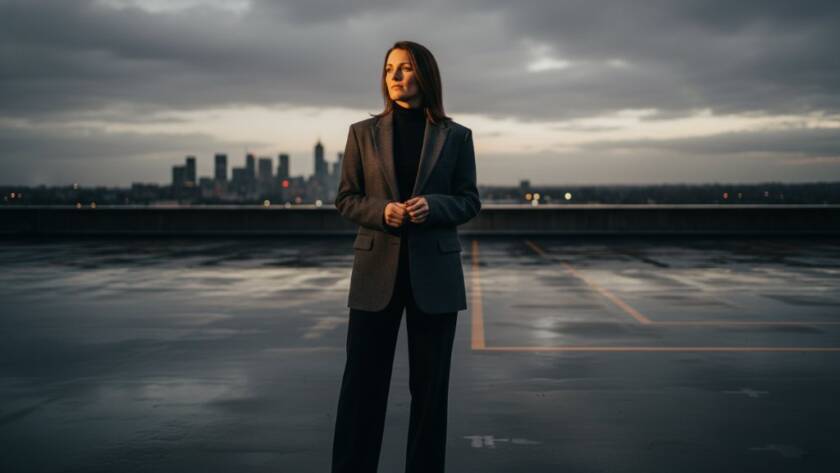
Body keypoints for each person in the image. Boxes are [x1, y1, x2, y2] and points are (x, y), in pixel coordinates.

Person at [331, 40, 481, 473]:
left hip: (435, 278)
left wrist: (435, 206)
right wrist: (382, 212)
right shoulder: (362, 133)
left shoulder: (457, 136)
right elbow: (346, 199)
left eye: (405, 68)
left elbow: (469, 201)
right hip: (375, 274)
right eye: (389, 69)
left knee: (430, 394)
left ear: (425, 75)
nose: (394, 77)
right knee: (361, 388)